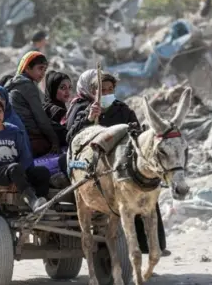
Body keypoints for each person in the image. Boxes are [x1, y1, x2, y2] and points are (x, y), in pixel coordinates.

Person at [65, 71, 168, 254]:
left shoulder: (122, 109)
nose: (106, 93)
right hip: (94, 165)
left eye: (110, 89)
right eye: (102, 90)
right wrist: (89, 118)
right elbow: (71, 137)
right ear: (92, 90)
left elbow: (136, 134)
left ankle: (153, 246)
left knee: (147, 188)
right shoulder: (82, 107)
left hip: (122, 163)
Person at [5, 51, 60, 157]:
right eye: (40, 68)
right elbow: (41, 118)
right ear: (27, 68)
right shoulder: (27, 85)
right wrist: (54, 141)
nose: (43, 73)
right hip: (30, 137)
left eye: (45, 70)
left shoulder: (13, 83)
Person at [43, 70, 72, 147]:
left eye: (69, 87)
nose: (67, 91)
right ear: (53, 89)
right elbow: (67, 136)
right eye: (63, 88)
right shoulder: (56, 111)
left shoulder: (45, 106)